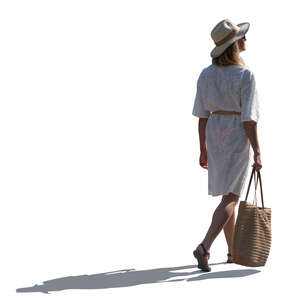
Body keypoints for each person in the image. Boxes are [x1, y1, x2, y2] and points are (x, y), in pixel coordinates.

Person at [191, 19, 262, 272]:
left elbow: (202, 115)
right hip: (235, 134)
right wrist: (257, 151)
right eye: (241, 37)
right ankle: (205, 246)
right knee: (232, 196)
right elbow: (249, 119)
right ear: (234, 45)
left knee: (226, 197)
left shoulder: (205, 74)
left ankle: (232, 252)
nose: (245, 40)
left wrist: (203, 147)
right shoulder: (245, 75)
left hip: (214, 132)